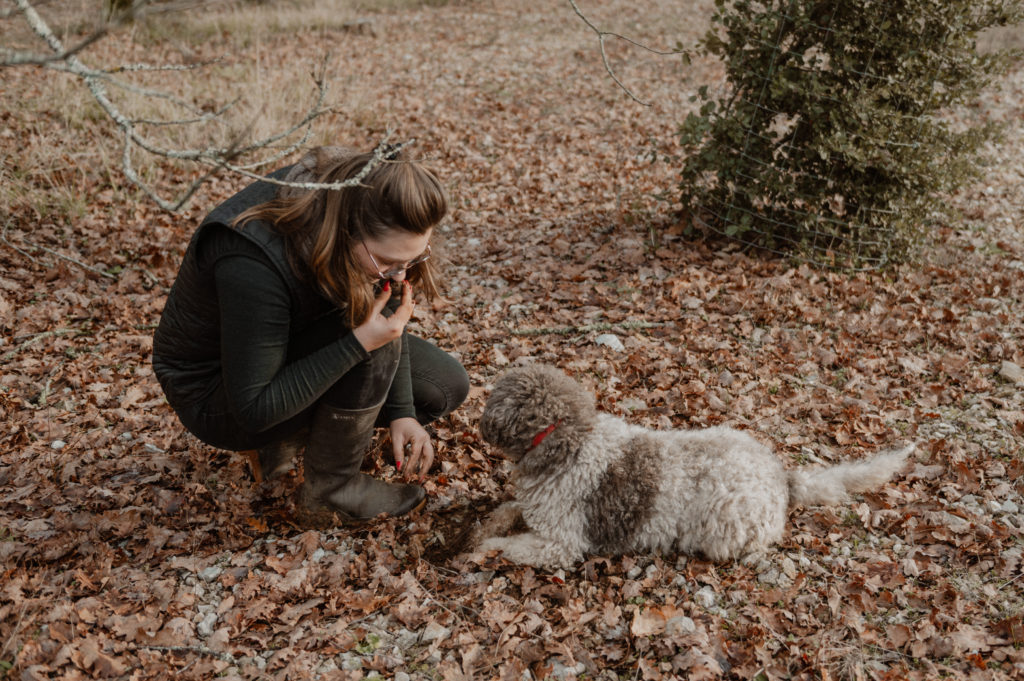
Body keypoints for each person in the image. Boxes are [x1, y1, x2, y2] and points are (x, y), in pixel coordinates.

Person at [152, 145, 469, 524]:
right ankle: (332, 491)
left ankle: (298, 438)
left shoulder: (352, 206)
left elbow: (381, 309)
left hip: (296, 341)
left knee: (443, 386)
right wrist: (360, 344)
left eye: (411, 260)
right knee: (364, 341)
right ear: (349, 228)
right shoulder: (251, 257)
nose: (399, 276)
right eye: (387, 262)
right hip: (217, 393)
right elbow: (254, 408)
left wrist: (402, 413)